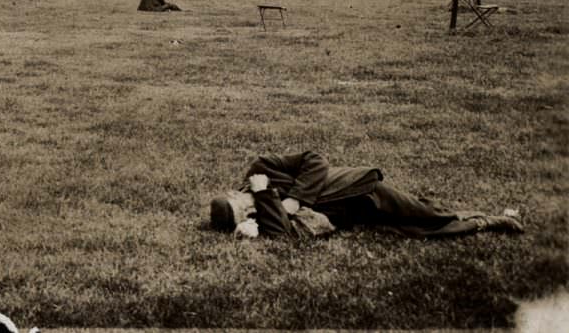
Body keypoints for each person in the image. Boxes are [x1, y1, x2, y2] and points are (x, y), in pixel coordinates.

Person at [209, 150, 524, 239]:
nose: (249, 210)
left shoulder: (261, 168)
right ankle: (483, 220)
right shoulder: (259, 206)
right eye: (244, 215)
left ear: (235, 191)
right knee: (411, 230)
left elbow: (315, 159)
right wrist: (262, 203)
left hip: (362, 189)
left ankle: (495, 220)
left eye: (244, 205)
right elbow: (282, 237)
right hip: (354, 214)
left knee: (429, 217)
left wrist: (296, 199)